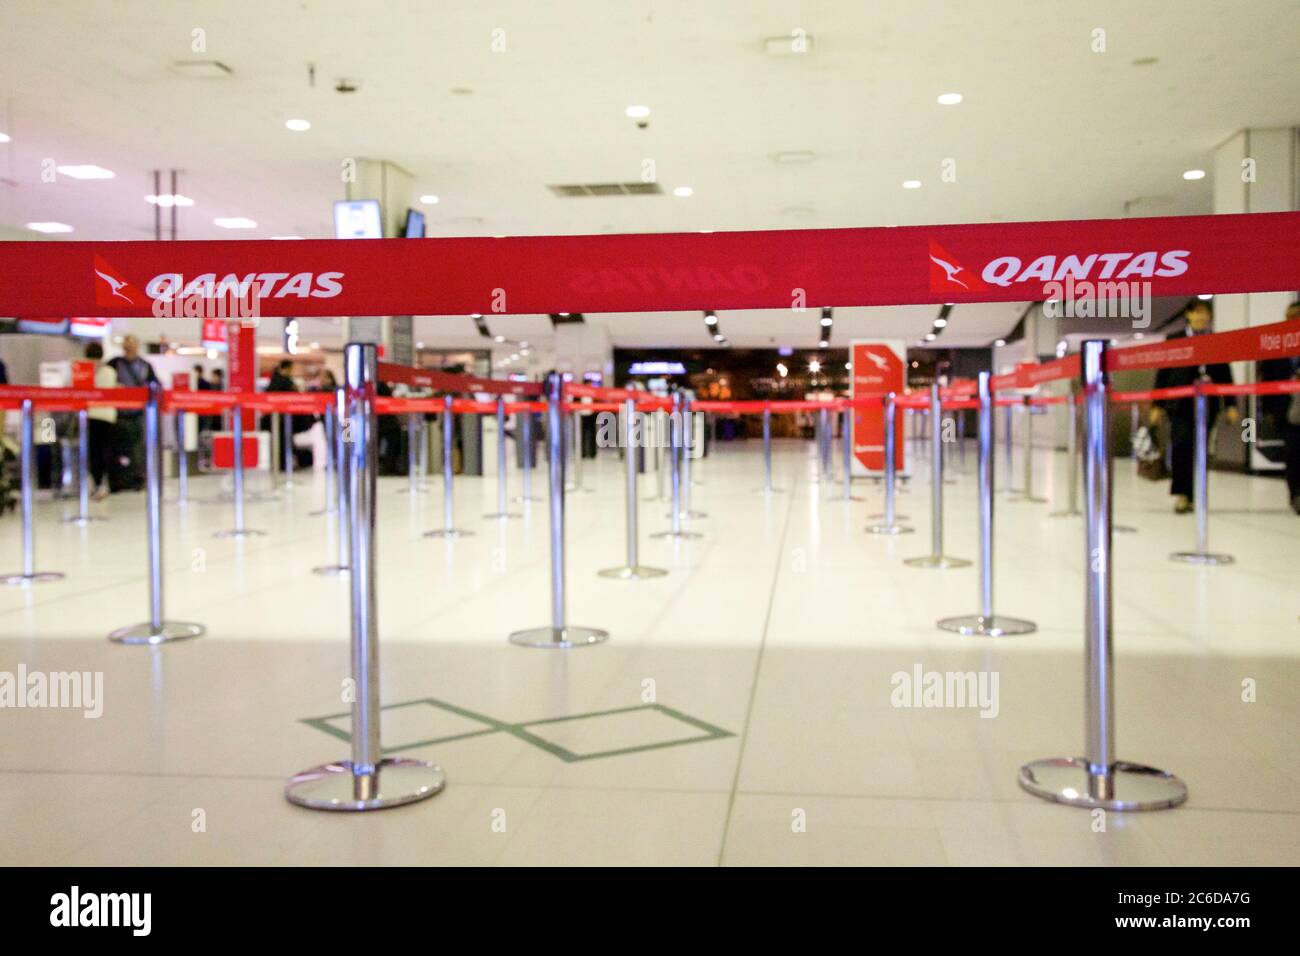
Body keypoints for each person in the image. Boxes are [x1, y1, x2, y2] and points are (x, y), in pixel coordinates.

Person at [1149, 300, 1239, 513]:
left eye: (1205, 313)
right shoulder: (1175, 340)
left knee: (1201, 450)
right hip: (1179, 405)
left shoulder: (1215, 340)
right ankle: (1182, 494)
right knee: (1181, 446)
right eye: (1197, 313)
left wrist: (1231, 404)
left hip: (1208, 404)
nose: (1201, 317)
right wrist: (1156, 404)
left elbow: (1225, 374)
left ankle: (1197, 494)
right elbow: (1163, 373)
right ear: (1188, 315)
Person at [1258, 301, 1300, 513]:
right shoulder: (1276, 344)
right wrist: (1269, 411)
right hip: (1287, 411)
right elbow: (1267, 380)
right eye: (1291, 318)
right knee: (1292, 454)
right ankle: (1296, 495)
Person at [106, 334, 159, 491]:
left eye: (132, 344)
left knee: (138, 449)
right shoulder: (114, 364)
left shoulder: (145, 366)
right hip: (117, 414)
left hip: (138, 414)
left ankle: (137, 478)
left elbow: (154, 385)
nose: (129, 348)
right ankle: (118, 480)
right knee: (117, 448)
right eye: (126, 344)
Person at [83, 342, 117, 500]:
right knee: (105, 450)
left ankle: (96, 484)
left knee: (94, 452)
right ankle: (104, 484)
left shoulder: (84, 370)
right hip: (108, 415)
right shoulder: (110, 371)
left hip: (91, 415)